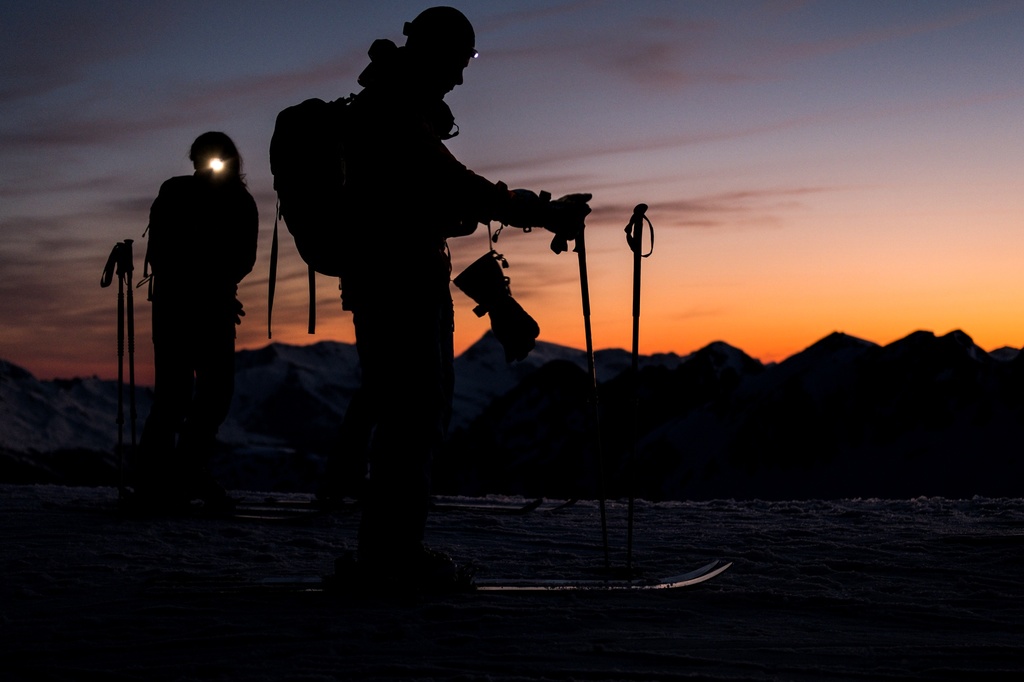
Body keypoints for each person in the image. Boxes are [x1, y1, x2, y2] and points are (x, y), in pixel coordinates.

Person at [336, 6, 590, 587]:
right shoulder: (394, 112)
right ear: (432, 52)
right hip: (400, 279)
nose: (460, 76)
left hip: (388, 275)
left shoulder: (390, 107)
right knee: (415, 412)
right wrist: (540, 212)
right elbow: (451, 187)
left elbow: (443, 192)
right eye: (459, 60)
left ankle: (387, 551)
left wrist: (525, 208)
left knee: (405, 409)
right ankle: (392, 558)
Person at [131, 132, 258, 511]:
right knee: (195, 396)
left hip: (181, 306)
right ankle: (174, 476)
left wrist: (215, 286)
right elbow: (238, 258)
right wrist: (217, 286)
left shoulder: (191, 195)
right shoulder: (214, 197)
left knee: (191, 396)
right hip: (199, 306)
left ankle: (171, 476)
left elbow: (240, 257)